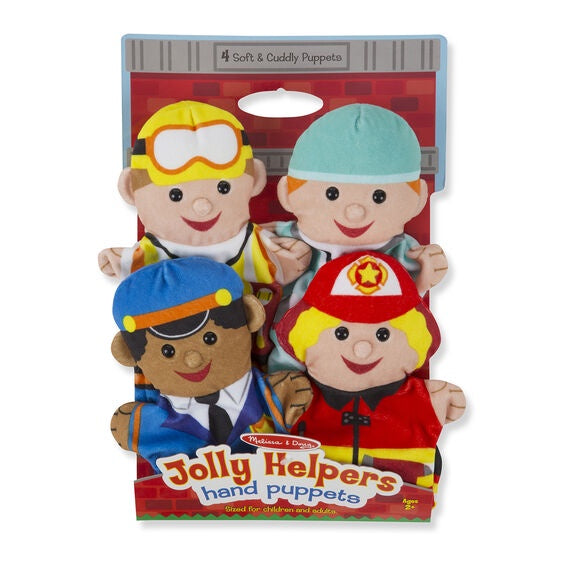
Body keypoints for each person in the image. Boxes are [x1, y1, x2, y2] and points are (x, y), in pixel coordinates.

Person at [98, 100, 311, 363]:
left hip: (250, 351)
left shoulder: (251, 243)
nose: (202, 207)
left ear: (255, 179)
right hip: (176, 351)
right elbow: (136, 269)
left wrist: (288, 259)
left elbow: (281, 266)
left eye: (223, 188)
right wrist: (118, 261)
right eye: (176, 195)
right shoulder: (157, 249)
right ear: (131, 189)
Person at [263, 251, 465, 491]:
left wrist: (438, 400)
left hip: (401, 501)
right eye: (341, 333)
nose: (362, 350)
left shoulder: (418, 399)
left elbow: (438, 406)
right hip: (310, 498)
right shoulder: (299, 396)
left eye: (383, 334)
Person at [267, 103, 447, 371]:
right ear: (287, 194)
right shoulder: (285, 240)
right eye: (332, 194)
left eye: (379, 196)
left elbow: (409, 304)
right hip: (288, 353)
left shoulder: (400, 251)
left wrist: (426, 276)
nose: (354, 213)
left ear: (417, 199)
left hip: (374, 352)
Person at [110, 257, 274, 472]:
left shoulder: (268, 397)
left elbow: (287, 400)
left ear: (251, 315)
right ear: (127, 353)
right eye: (168, 351)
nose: (193, 360)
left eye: (210, 339)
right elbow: (133, 427)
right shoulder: (153, 422)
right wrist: (132, 425)